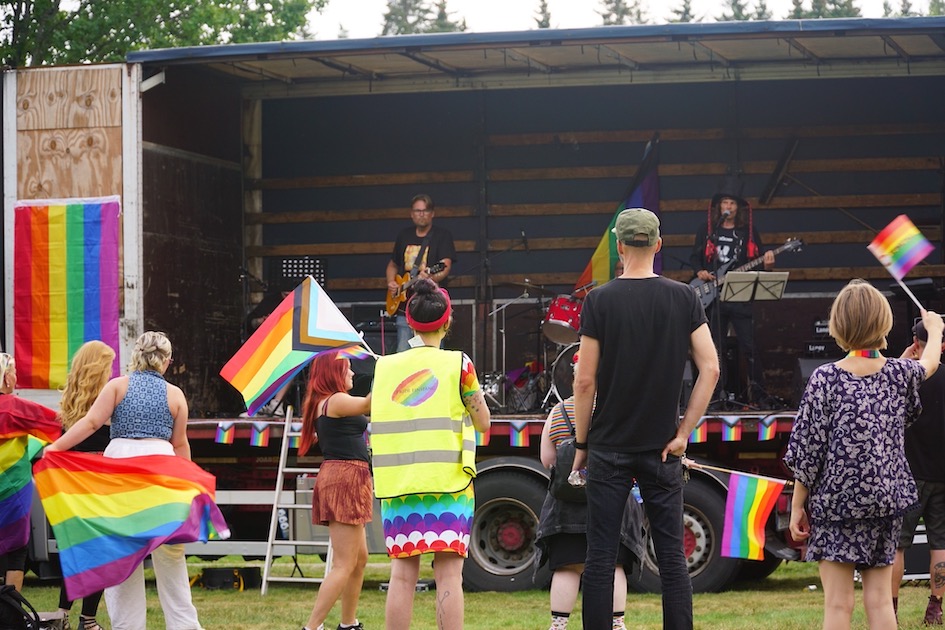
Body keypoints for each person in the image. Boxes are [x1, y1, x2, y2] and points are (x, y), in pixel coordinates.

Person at [571, 208, 720, 630]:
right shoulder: (684, 298)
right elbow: (710, 369)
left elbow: (584, 382)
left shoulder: (599, 300)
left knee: (600, 554)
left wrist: (582, 444)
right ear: (658, 245)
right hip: (663, 446)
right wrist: (684, 433)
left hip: (609, 445)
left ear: (619, 247)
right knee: (672, 556)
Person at [784, 280, 944, 630]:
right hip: (884, 505)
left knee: (838, 606)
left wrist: (797, 505)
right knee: (881, 602)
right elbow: (929, 363)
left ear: (838, 326)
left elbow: (808, 451)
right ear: (884, 324)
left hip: (836, 507)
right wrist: (935, 329)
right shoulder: (898, 376)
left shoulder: (825, 379)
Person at [46, 331, 204, 630]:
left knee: (121, 556)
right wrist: (188, 482)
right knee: (170, 557)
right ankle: (185, 626)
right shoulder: (175, 395)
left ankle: (127, 626)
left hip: (121, 471)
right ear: (166, 362)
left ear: (136, 356)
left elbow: (91, 422)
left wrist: (55, 448)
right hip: (162, 469)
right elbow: (180, 444)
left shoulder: (117, 386)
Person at [370, 279, 490, 630]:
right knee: (449, 574)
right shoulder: (459, 365)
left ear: (408, 321)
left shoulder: (384, 367)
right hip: (448, 484)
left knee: (402, 575)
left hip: (398, 486)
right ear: (447, 322)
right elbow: (482, 422)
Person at [536, 352, 644, 630]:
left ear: (575, 375)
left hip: (566, 504)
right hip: (613, 499)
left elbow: (548, 461)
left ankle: (558, 626)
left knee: (567, 567)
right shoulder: (618, 412)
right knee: (614, 566)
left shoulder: (558, 413)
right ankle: (617, 623)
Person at [298, 351, 372, 630]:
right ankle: (311, 627)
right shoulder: (336, 400)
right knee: (344, 563)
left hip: (347, 476)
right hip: (346, 478)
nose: (353, 374)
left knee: (359, 558)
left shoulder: (324, 401)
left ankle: (348, 623)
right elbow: (369, 403)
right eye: (348, 369)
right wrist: (390, 371)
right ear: (334, 373)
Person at [689, 183, 775, 405]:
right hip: (713, 297)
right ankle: (715, 395)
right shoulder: (707, 230)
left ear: (738, 207)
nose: (728, 206)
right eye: (725, 203)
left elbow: (756, 262)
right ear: (719, 207)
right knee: (714, 347)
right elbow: (695, 256)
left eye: (732, 203)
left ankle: (759, 395)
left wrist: (766, 265)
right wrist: (699, 271)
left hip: (739, 296)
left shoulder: (747, 232)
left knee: (749, 346)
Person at [55, 341, 116, 630]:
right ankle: (87, 619)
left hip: (75, 486)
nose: (111, 373)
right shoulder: (105, 404)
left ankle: (62, 615)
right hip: (99, 486)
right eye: (108, 367)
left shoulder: (70, 401)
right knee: (99, 554)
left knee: (78, 552)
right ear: (98, 370)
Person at [892, 318, 945, 625]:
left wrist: (901, 360)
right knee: (940, 544)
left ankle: (892, 609)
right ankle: (935, 609)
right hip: (942, 475)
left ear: (914, 342)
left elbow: (883, 390)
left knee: (898, 544)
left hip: (909, 475)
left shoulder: (906, 377)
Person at [0, 352, 60, 593]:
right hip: (13, 489)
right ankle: (11, 613)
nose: (16, 377)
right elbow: (55, 422)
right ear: (4, 378)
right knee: (16, 549)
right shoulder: (14, 408)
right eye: (13, 371)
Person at [385, 194, 456, 352]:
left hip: (430, 305)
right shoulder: (404, 236)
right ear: (411, 213)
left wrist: (430, 278)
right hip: (405, 307)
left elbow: (445, 265)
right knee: (403, 352)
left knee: (432, 354)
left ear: (432, 213)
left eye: (425, 210)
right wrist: (392, 282)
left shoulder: (442, 236)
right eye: (418, 211)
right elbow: (393, 264)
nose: (421, 214)